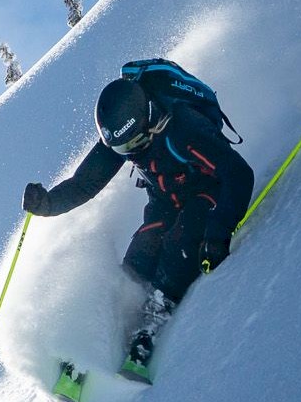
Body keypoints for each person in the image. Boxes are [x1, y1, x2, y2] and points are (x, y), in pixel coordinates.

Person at [21, 59, 254, 376]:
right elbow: (85, 184)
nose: (130, 154)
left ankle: (154, 319)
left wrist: (219, 232)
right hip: (163, 201)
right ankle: (100, 338)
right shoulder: (120, 140)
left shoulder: (185, 129)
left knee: (179, 245)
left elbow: (239, 174)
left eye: (133, 144)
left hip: (206, 193)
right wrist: (47, 204)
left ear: (151, 120)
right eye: (120, 149)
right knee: (138, 260)